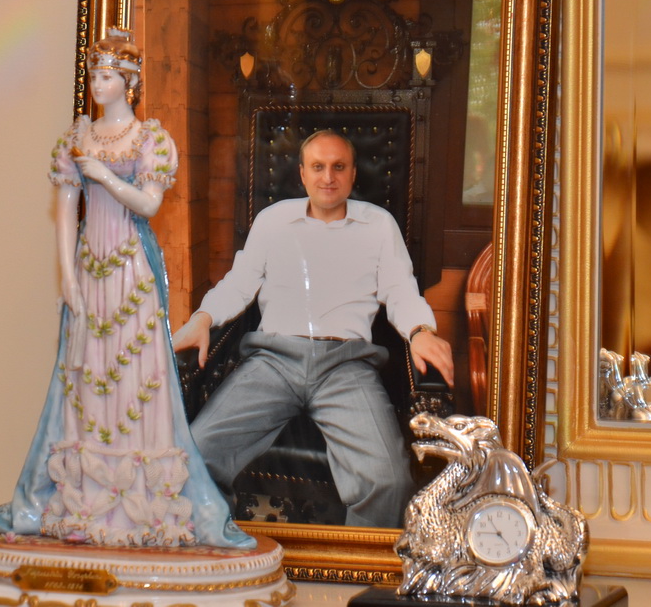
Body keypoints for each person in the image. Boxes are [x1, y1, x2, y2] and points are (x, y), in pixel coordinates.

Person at [0, 28, 251, 549]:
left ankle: (140, 504)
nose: (97, 85)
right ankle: (87, 498)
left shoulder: (149, 140)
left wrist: (103, 174)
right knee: (87, 376)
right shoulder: (77, 136)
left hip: (131, 271)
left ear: (128, 81)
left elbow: (149, 205)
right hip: (90, 268)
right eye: (93, 75)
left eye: (106, 76)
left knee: (135, 376)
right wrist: (66, 274)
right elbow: (65, 213)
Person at [172, 129, 455, 528]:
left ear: (353, 174)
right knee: (195, 454)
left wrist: (421, 330)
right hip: (273, 361)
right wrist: (203, 319)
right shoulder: (273, 221)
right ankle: (219, 544)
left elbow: (400, 289)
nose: (328, 177)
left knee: (388, 480)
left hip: (346, 366)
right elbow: (239, 282)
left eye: (338, 167)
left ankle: (350, 563)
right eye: (318, 167)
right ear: (302, 174)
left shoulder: (378, 225)